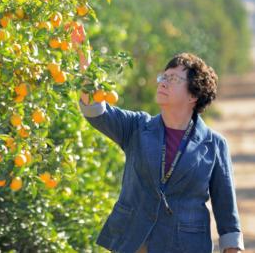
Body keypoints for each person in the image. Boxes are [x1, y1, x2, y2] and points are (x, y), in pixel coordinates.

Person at [76, 47, 244, 253]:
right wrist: (86, 65)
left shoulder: (214, 144)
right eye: (163, 77)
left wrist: (231, 249)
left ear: (193, 94)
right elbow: (95, 111)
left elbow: (226, 209)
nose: (163, 82)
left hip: (186, 246)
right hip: (133, 242)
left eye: (173, 79)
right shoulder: (136, 127)